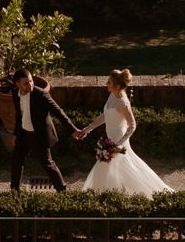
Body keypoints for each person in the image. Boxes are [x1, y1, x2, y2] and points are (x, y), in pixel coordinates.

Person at [74, 68, 173, 196]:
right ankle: (109, 195)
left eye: (109, 82)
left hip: (118, 140)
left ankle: (105, 195)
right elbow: (106, 116)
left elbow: (132, 125)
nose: (106, 84)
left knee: (111, 166)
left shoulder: (123, 103)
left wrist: (119, 144)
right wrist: (87, 129)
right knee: (112, 168)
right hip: (110, 140)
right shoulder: (112, 95)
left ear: (117, 86)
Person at [7, 66, 76, 192]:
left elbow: (58, 112)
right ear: (18, 84)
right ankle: (14, 190)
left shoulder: (41, 94)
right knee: (16, 160)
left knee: (47, 164)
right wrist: (16, 134)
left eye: (31, 81)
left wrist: (73, 130)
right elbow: (19, 115)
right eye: (26, 83)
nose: (30, 84)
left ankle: (62, 190)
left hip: (38, 135)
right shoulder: (15, 94)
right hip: (23, 134)